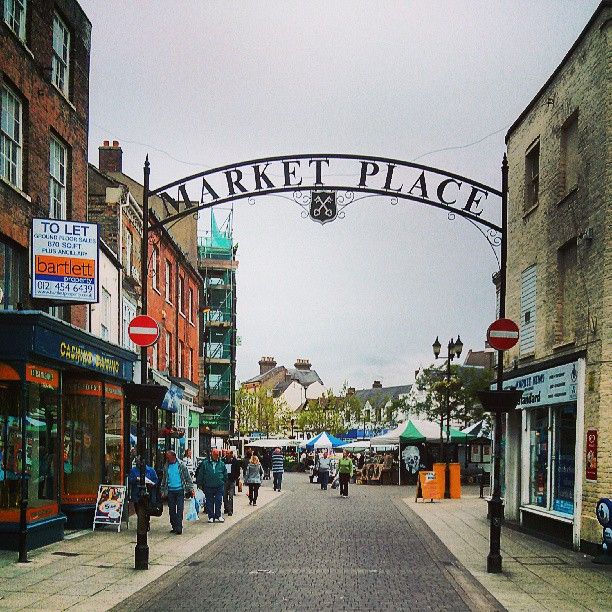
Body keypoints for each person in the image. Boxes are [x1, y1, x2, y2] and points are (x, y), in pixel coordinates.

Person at [160, 450, 194, 535]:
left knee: (179, 510)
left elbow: (187, 477)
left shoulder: (181, 465)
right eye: (166, 457)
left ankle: (179, 528)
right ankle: (174, 526)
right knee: (171, 510)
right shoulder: (166, 466)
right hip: (170, 491)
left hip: (180, 490)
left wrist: (190, 488)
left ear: (173, 456)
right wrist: (162, 490)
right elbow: (164, 479)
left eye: (168, 457)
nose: (167, 459)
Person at [196, 448, 227, 523]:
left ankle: (218, 515)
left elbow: (225, 474)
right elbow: (201, 474)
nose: (217, 456)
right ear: (212, 454)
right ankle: (211, 516)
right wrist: (200, 483)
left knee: (218, 500)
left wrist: (222, 481)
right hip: (208, 485)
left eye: (218, 455)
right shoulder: (205, 463)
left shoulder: (221, 464)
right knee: (209, 501)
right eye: (215, 455)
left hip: (219, 485)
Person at [223, 449, 241, 516]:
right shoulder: (223, 461)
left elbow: (238, 471)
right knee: (224, 495)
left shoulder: (235, 461)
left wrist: (235, 478)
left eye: (228, 453)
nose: (227, 455)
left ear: (231, 454)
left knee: (231, 496)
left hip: (231, 480)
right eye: (226, 453)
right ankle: (226, 508)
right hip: (224, 480)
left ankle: (230, 510)